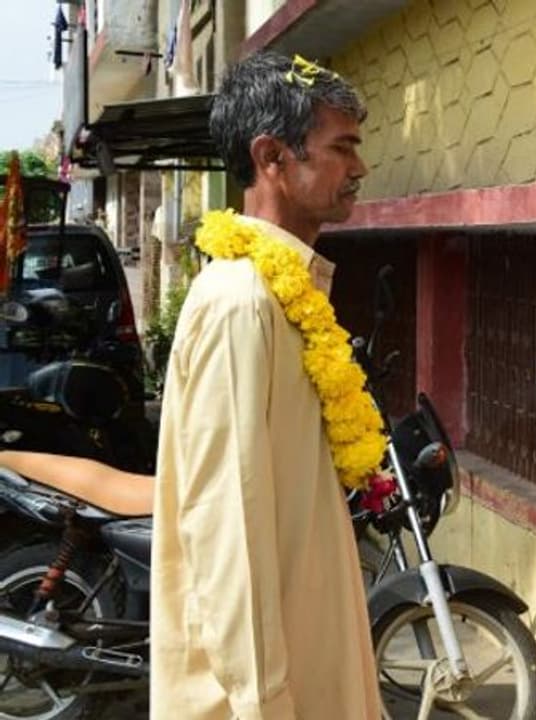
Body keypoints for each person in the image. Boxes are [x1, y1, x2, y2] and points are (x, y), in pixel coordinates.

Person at [151, 52, 384, 719]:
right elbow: (228, 531)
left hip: (310, 666)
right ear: (273, 157)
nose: (359, 168)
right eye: (341, 148)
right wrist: (263, 703)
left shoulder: (283, 297)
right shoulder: (241, 303)